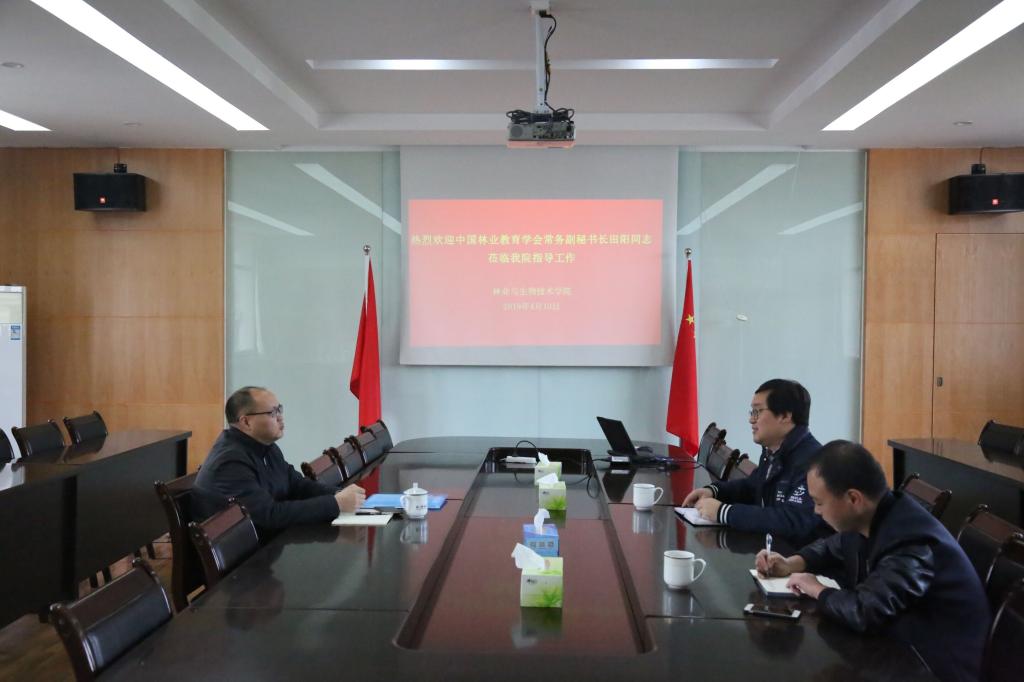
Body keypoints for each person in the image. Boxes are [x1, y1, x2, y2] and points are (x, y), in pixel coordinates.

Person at [755, 440, 988, 682]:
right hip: (898, 649)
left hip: (934, 666)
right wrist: (791, 563)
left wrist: (817, 589)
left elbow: (865, 611)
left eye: (819, 502)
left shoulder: (911, 541)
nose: (816, 511)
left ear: (853, 499)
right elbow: (832, 546)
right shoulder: (878, 512)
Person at [195, 386, 365, 537]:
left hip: (272, 540)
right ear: (246, 422)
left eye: (280, 410)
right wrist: (335, 504)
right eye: (272, 413)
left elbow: (297, 485)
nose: (280, 418)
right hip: (247, 555)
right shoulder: (230, 462)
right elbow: (268, 516)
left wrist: (339, 494)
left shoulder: (266, 447)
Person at [682, 378, 826, 544]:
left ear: (785, 416)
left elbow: (793, 520)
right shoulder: (773, 452)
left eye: (758, 411)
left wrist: (724, 512)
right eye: (752, 412)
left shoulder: (814, 462)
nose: (751, 420)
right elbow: (751, 487)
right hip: (770, 549)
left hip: (796, 556)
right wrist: (714, 491)